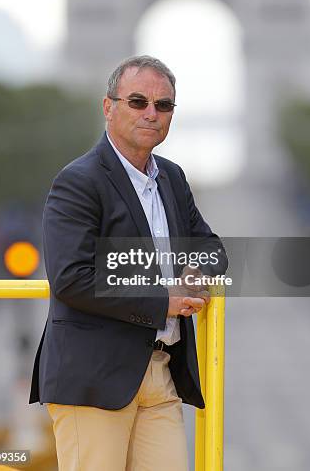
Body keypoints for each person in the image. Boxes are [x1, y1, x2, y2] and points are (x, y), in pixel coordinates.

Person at [29, 55, 228, 471]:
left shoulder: (172, 177)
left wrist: (197, 271)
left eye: (164, 105)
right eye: (138, 101)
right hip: (95, 379)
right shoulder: (78, 181)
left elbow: (211, 247)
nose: (152, 113)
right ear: (108, 107)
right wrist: (163, 300)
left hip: (160, 375)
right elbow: (71, 278)